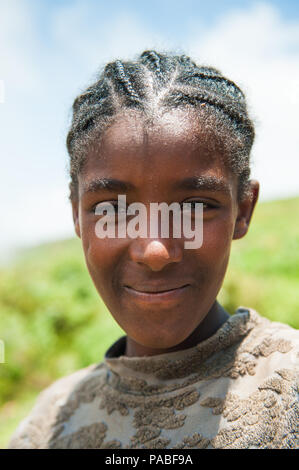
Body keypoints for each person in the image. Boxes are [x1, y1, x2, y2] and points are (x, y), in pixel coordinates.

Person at [8, 50, 298, 449]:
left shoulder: (289, 391)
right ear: (77, 216)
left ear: (243, 211)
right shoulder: (50, 423)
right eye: (113, 209)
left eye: (195, 207)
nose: (155, 249)